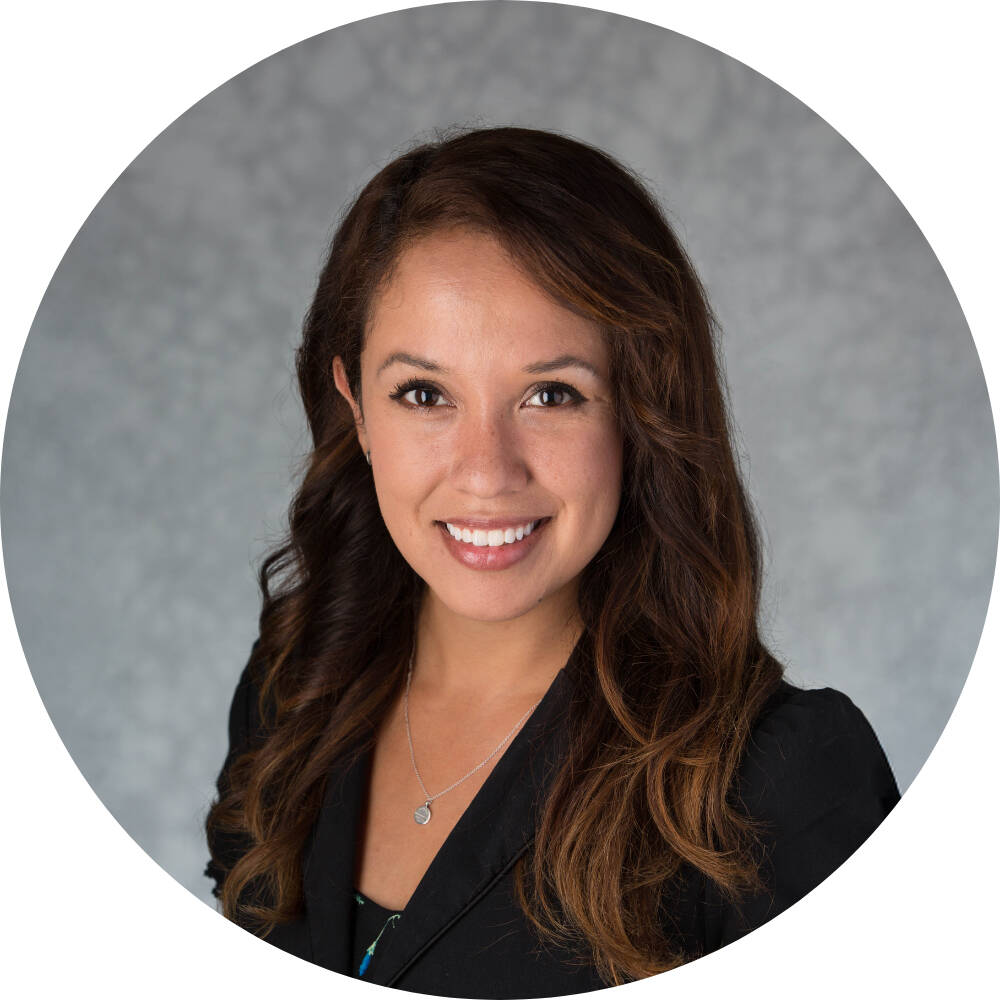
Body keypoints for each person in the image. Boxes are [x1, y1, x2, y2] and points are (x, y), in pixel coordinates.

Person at [204, 126, 899, 996]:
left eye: (552, 394)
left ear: (640, 414)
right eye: (424, 394)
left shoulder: (777, 777)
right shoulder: (292, 686)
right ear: (356, 413)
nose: (487, 470)